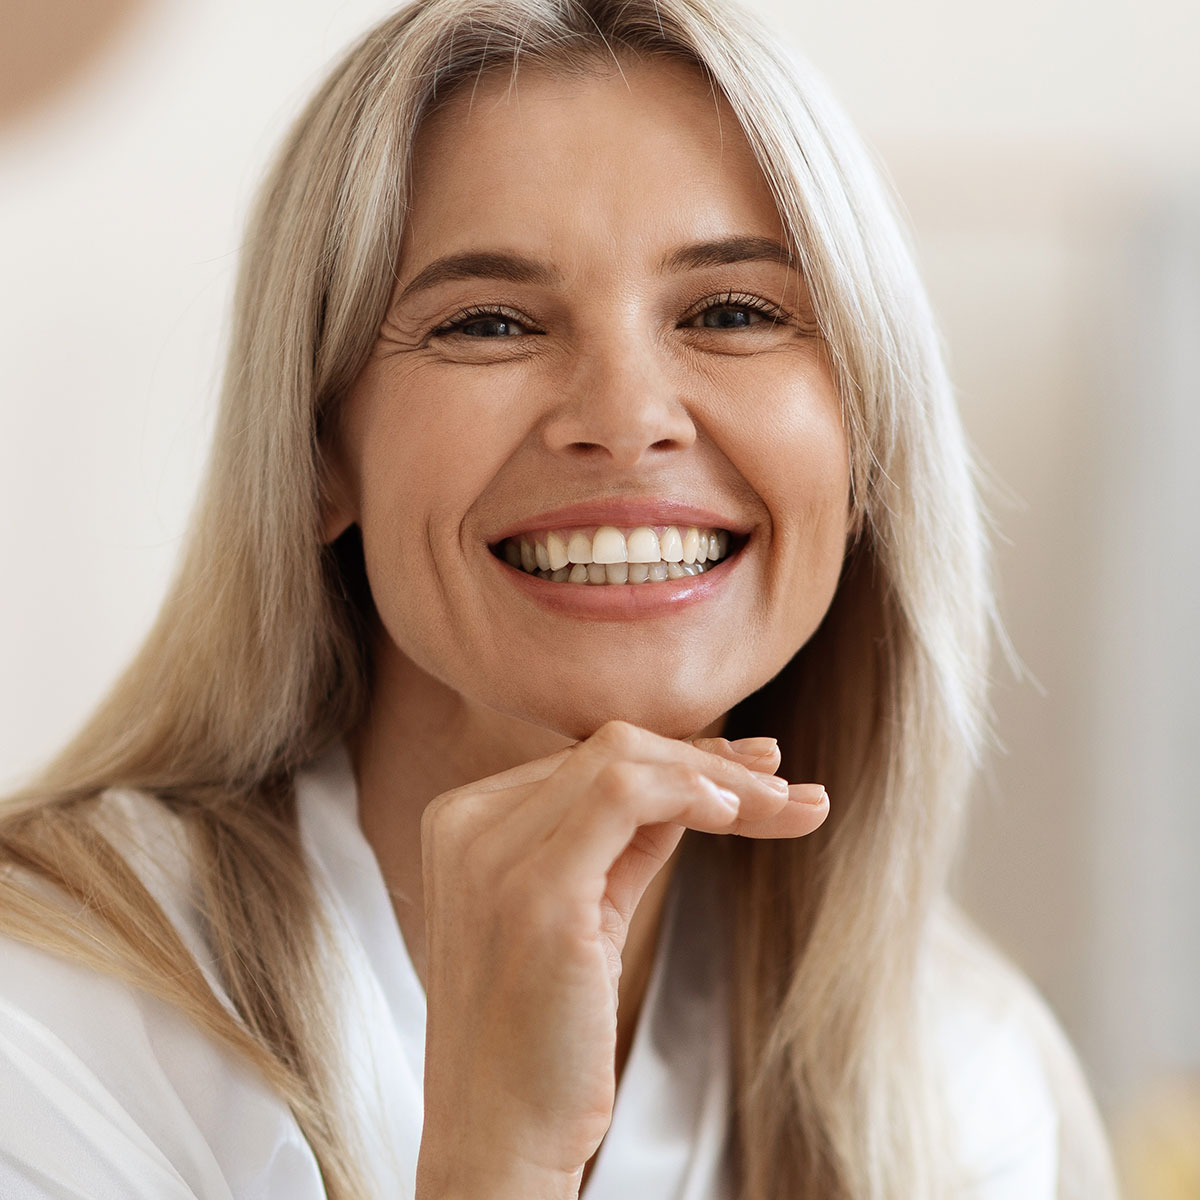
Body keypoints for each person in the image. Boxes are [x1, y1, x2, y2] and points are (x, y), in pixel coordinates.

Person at [0, 1, 1121, 1197]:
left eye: (731, 312)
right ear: (322, 450)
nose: (626, 416)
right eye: (488, 322)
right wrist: (498, 1164)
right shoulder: (49, 1015)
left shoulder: (955, 1073)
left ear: (864, 441)